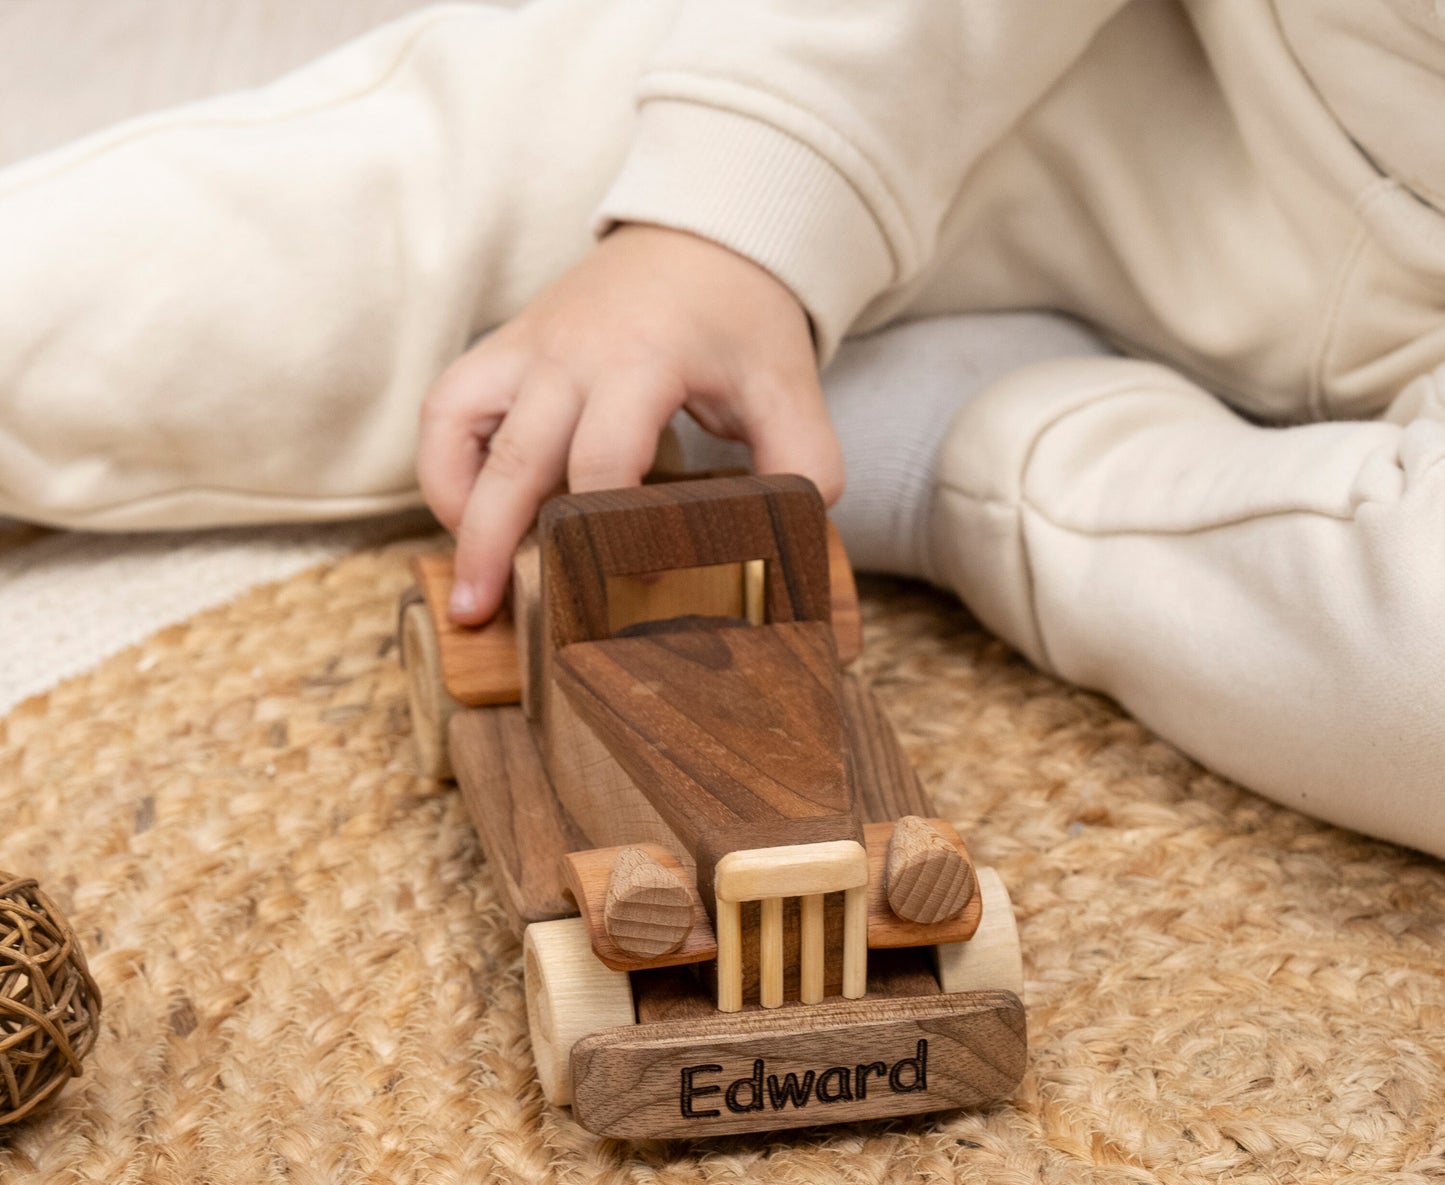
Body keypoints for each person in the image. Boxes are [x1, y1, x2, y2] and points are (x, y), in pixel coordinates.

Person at [0, 0, 1441, 857]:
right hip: (1070, 68)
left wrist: (972, 459)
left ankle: (955, 436)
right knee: (392, 246)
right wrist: (723, 210)